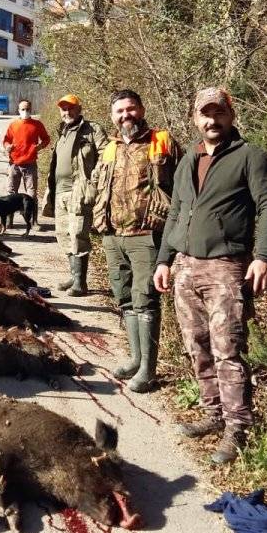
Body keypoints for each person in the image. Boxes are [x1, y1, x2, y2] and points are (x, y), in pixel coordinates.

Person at [153, 87, 267, 464]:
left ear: (231, 115)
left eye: (219, 113)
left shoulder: (250, 157)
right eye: (205, 114)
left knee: (228, 350)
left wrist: (263, 256)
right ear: (195, 118)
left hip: (226, 266)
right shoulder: (187, 159)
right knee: (197, 346)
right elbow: (176, 211)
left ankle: (237, 428)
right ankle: (213, 414)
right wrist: (164, 260)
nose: (212, 121)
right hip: (185, 266)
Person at [89, 89, 182, 393]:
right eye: (119, 111)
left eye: (131, 109)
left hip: (147, 236)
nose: (126, 115)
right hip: (113, 236)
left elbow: (184, 188)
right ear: (112, 116)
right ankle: (135, 358)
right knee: (126, 299)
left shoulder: (162, 142)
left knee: (145, 301)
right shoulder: (109, 147)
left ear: (141, 109)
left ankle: (148, 370)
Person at [42, 94, 102, 297]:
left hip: (80, 190)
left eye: (71, 108)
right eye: (63, 109)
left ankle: (81, 283)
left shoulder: (93, 129)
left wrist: (95, 179)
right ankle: (73, 276)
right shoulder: (63, 131)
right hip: (59, 190)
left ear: (79, 109)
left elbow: (106, 156)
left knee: (78, 234)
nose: (67, 112)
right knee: (63, 235)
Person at [2, 98, 51, 200]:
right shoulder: (13, 125)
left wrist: (39, 147)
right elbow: (6, 140)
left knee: (31, 194)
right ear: (18, 110)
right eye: (23, 109)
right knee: (11, 193)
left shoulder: (37, 124)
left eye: (27, 109)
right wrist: (7, 147)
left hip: (30, 163)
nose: (25, 111)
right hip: (14, 163)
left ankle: (30, 214)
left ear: (31, 110)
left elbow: (46, 139)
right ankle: (10, 215)